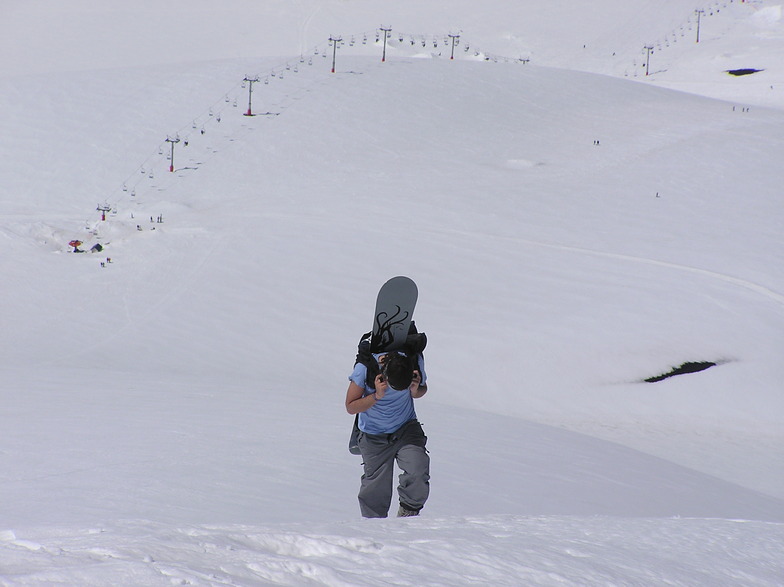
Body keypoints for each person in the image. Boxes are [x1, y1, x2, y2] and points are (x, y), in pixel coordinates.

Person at [345, 349, 429, 518]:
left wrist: (415, 390)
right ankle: (375, 528)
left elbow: (422, 390)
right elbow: (351, 406)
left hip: (406, 428)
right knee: (375, 488)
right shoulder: (365, 368)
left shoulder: (412, 359)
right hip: (373, 435)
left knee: (417, 468)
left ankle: (408, 513)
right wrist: (376, 395)